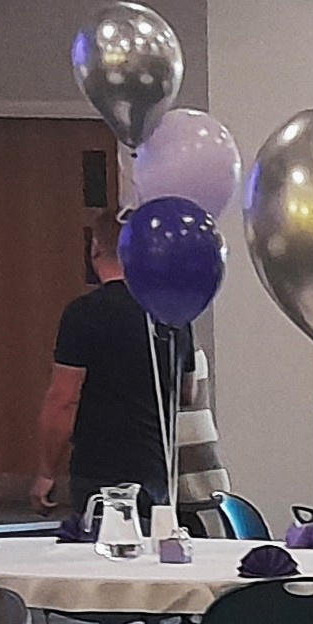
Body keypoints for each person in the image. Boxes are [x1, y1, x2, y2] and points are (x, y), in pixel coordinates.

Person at [32, 219, 190, 517]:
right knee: (154, 554)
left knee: (103, 555)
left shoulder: (85, 314)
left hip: (101, 470)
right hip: (159, 468)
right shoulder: (173, 311)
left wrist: (47, 472)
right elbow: (187, 392)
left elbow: (64, 399)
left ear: (95, 248)